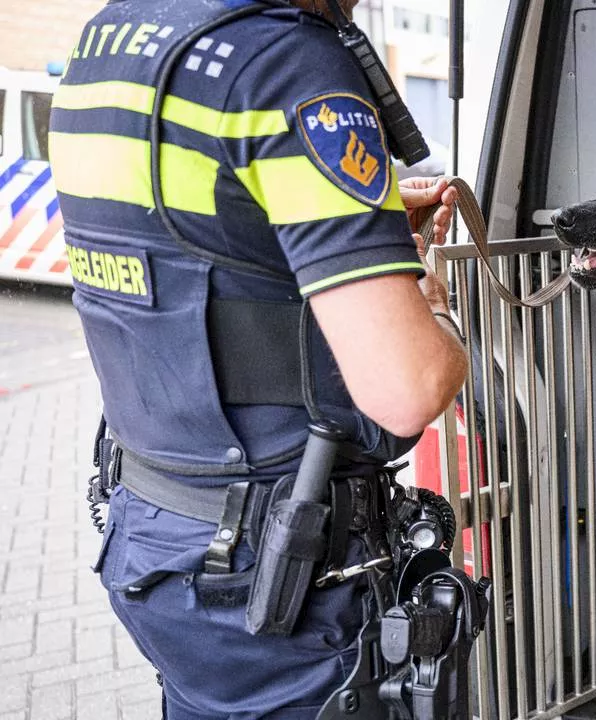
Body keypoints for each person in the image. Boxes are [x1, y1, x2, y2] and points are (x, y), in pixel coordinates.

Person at [48, 0, 469, 716]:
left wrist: (350, 241)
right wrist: (428, 303)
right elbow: (410, 385)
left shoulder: (108, 41)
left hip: (153, 540)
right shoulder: (285, 62)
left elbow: (185, 250)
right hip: (284, 579)